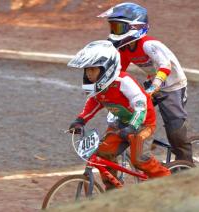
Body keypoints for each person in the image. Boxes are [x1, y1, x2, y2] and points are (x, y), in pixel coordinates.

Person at [68, 40, 170, 190]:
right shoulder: (99, 88)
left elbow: (141, 104)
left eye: (93, 70)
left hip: (143, 123)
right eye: (86, 70)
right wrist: (80, 120)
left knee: (139, 159)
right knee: (102, 154)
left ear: (107, 68)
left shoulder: (123, 81)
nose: (88, 74)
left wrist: (133, 126)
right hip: (121, 123)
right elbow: (94, 103)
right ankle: (113, 193)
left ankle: (170, 180)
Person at [98, 2, 193, 162]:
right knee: (129, 115)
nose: (114, 32)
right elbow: (119, 72)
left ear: (135, 27)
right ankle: (135, 145)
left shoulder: (149, 44)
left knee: (175, 131)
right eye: (112, 27)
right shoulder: (125, 48)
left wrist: (155, 86)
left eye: (118, 28)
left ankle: (186, 164)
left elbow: (165, 65)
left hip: (173, 88)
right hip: (151, 86)